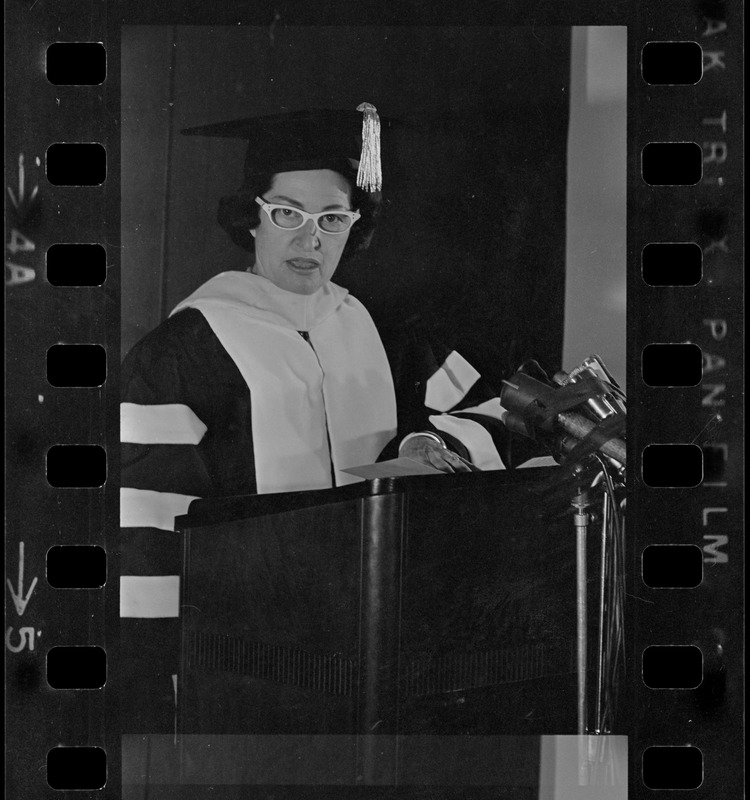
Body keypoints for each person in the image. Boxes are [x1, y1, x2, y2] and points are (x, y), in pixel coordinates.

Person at [120, 104, 533, 731]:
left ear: (353, 227)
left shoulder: (384, 336)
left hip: (388, 644)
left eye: (333, 219)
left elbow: (509, 407)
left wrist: (426, 439)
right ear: (249, 219)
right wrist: (162, 688)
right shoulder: (181, 355)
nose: (310, 239)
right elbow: (144, 533)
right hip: (249, 664)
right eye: (287, 213)